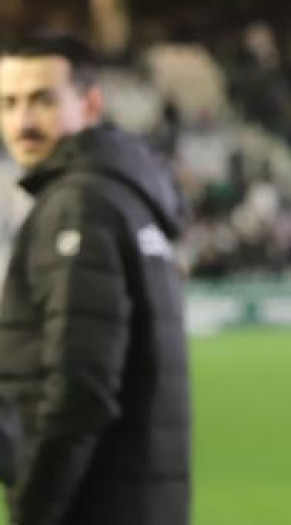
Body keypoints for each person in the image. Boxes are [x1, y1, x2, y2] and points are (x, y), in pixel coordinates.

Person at [0, 36, 190, 525]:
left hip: (94, 503)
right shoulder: (125, 194)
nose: (22, 122)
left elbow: (78, 385)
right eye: (8, 103)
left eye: (43, 99)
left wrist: (32, 510)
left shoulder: (78, 204)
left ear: (91, 103)